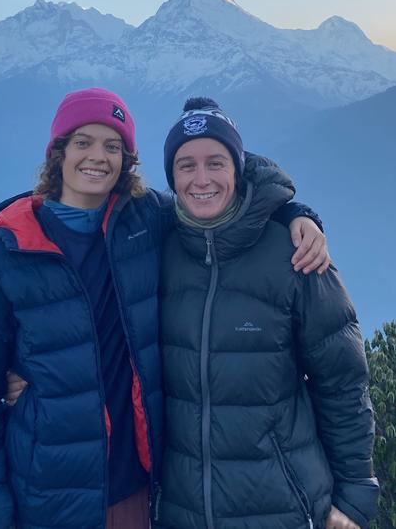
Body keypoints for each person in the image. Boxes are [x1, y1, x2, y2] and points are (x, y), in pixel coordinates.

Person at [0, 88, 329, 529]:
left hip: (141, 494)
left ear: (128, 159)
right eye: (82, 142)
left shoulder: (145, 220)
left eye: (113, 146)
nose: (97, 157)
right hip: (48, 500)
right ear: (58, 152)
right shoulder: (0, 257)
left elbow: (217, 196)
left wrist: (295, 211)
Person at [154, 97, 379, 529]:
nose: (202, 179)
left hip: (283, 506)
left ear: (238, 168)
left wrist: (354, 495)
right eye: (186, 165)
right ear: (172, 176)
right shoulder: (155, 247)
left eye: (216, 162)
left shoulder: (298, 256)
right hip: (178, 511)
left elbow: (343, 383)